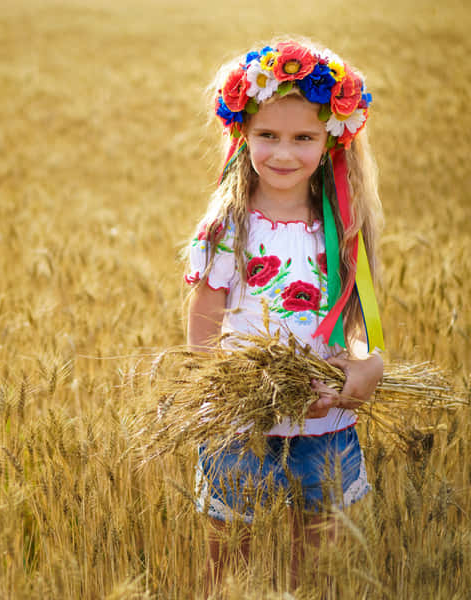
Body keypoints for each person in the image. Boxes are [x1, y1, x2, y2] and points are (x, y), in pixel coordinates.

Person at [184, 37, 385, 593]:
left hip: (326, 419)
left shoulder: (342, 224)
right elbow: (206, 305)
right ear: (243, 133)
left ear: (332, 140)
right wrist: (206, 382)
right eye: (267, 135)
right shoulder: (229, 223)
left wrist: (366, 365)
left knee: (318, 561)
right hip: (238, 420)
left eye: (304, 138)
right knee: (226, 561)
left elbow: (358, 317)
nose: (283, 152)